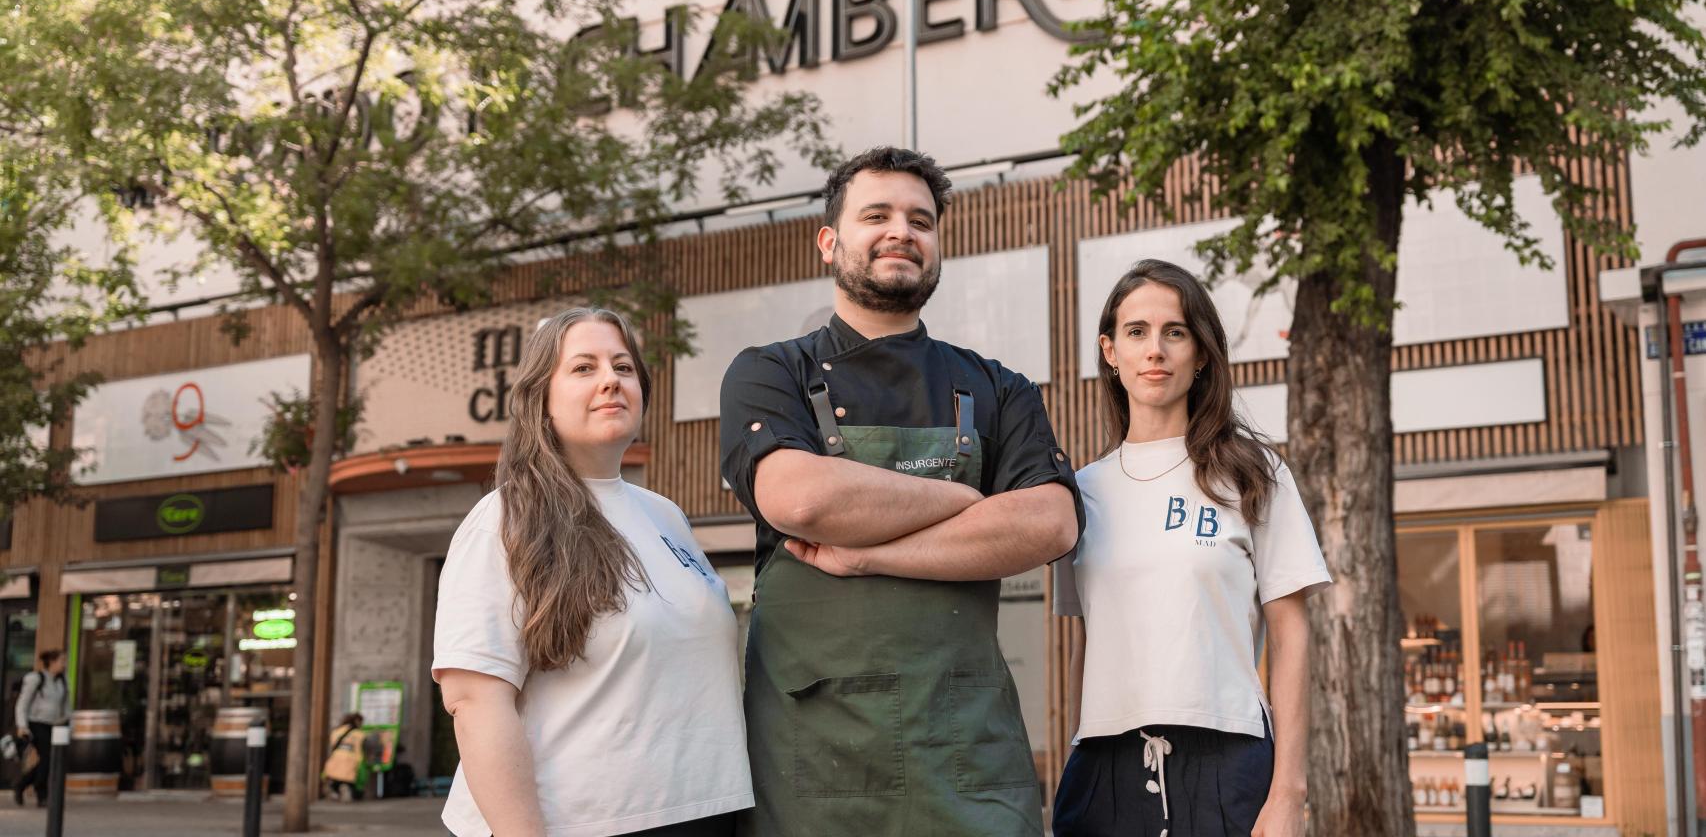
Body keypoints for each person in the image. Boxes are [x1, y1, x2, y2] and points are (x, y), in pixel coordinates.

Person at [719, 146, 1081, 836]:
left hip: (967, 747)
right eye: (876, 215)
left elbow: (1051, 524)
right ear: (829, 242)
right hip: (812, 756)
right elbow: (802, 500)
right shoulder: (770, 373)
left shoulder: (997, 386)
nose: (901, 232)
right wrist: (964, 501)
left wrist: (867, 554)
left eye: (921, 220)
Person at [434, 307, 750, 837]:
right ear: (540, 397)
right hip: (581, 823)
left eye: (623, 367)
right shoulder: (505, 518)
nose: (611, 380)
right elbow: (474, 701)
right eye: (584, 368)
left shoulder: (665, 515)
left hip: (704, 812)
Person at [1052, 260, 1332, 837]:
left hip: (1228, 762)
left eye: (1174, 332)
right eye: (1137, 332)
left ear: (1201, 352)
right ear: (1110, 351)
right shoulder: (1078, 493)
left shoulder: (1253, 474)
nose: (1155, 350)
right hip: (1104, 769)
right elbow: (1086, 643)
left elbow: (1291, 635)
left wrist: (1289, 793)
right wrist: (1075, 758)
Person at [13, 649, 68, 808]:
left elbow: (66, 705)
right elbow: (22, 704)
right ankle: (41, 792)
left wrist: (68, 724)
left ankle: (22, 784)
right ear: (52, 662)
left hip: (54, 725)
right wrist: (22, 726)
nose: (64, 664)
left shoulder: (62, 681)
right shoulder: (36, 679)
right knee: (48, 756)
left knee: (50, 759)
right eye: (62, 661)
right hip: (36, 723)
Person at [321, 712, 369, 801]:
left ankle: (335, 792)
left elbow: (332, 743)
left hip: (336, 759)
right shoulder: (359, 734)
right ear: (357, 721)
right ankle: (347, 791)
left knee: (335, 778)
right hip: (352, 760)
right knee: (350, 781)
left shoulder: (336, 731)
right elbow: (364, 747)